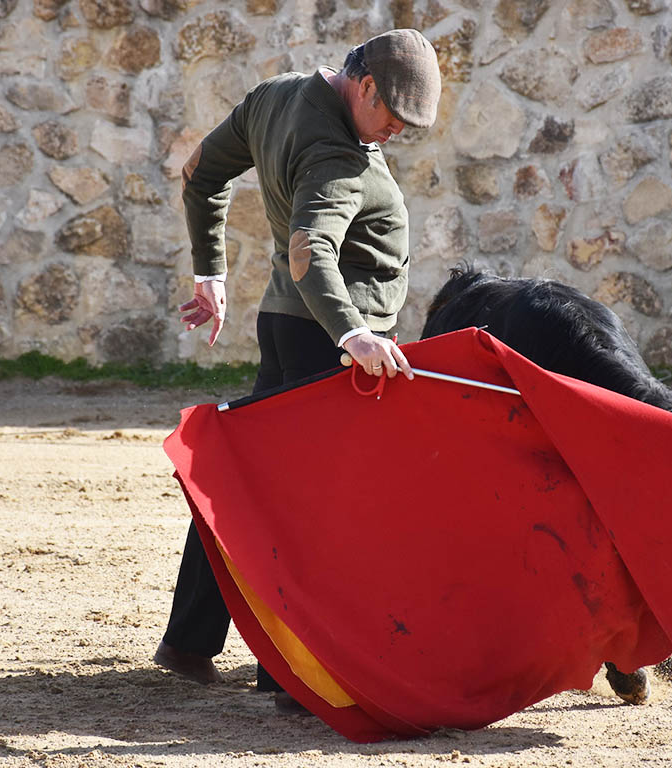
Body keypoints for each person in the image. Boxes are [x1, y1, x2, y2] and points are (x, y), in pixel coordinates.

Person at [154, 29, 443, 699]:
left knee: (247, 481)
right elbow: (309, 250)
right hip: (330, 345)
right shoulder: (338, 155)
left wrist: (210, 272)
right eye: (393, 114)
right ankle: (287, 672)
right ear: (364, 85)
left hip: (285, 324)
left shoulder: (275, 97)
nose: (396, 130)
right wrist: (354, 336)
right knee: (316, 510)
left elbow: (200, 170)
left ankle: (191, 641)